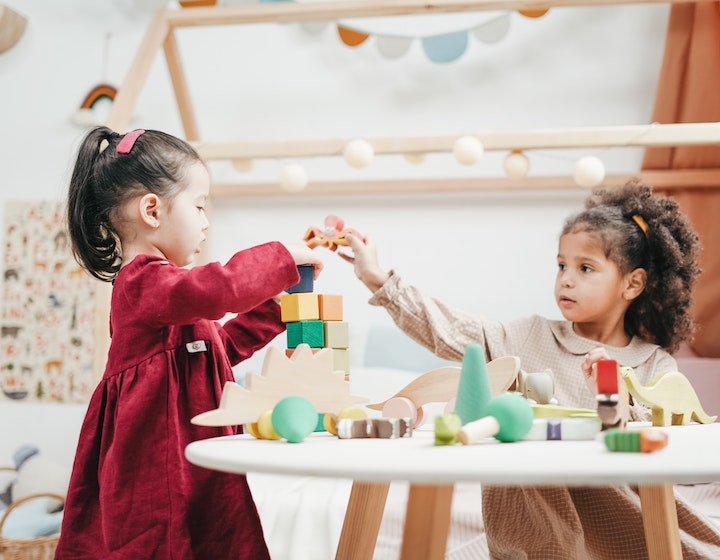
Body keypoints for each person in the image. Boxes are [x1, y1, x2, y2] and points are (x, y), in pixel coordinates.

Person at [339, 180, 720, 559]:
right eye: (561, 265)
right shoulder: (527, 336)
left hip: (621, 516)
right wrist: (376, 277)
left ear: (632, 284)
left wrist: (614, 400)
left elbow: (666, 445)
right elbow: (448, 328)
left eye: (586, 268)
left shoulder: (654, 363)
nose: (566, 279)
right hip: (539, 523)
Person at [55, 126, 323, 559]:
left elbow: (220, 347)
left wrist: (277, 306)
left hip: (195, 463)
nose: (205, 221)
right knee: (163, 543)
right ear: (152, 211)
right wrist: (279, 258)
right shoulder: (142, 283)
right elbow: (216, 291)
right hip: (156, 470)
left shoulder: (172, 299)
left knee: (214, 537)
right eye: (198, 207)